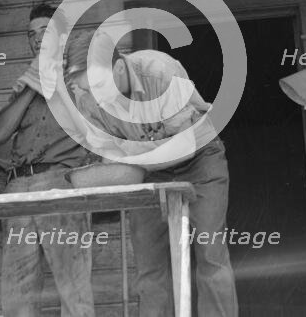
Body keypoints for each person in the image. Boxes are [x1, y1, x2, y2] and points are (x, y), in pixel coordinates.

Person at [64, 30, 238, 317]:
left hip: (199, 161)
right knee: (149, 267)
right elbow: (108, 153)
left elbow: (184, 148)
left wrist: (130, 157)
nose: (94, 97)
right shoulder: (87, 99)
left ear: (119, 68)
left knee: (210, 256)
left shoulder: (161, 72)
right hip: (148, 171)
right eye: (86, 89)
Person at [0, 4, 95, 317]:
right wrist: (30, 88)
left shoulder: (81, 76)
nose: (37, 39)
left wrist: (49, 81)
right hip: (19, 185)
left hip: (59, 183)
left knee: (73, 288)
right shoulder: (26, 81)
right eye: (31, 34)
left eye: (45, 32)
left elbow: (88, 128)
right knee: (17, 294)